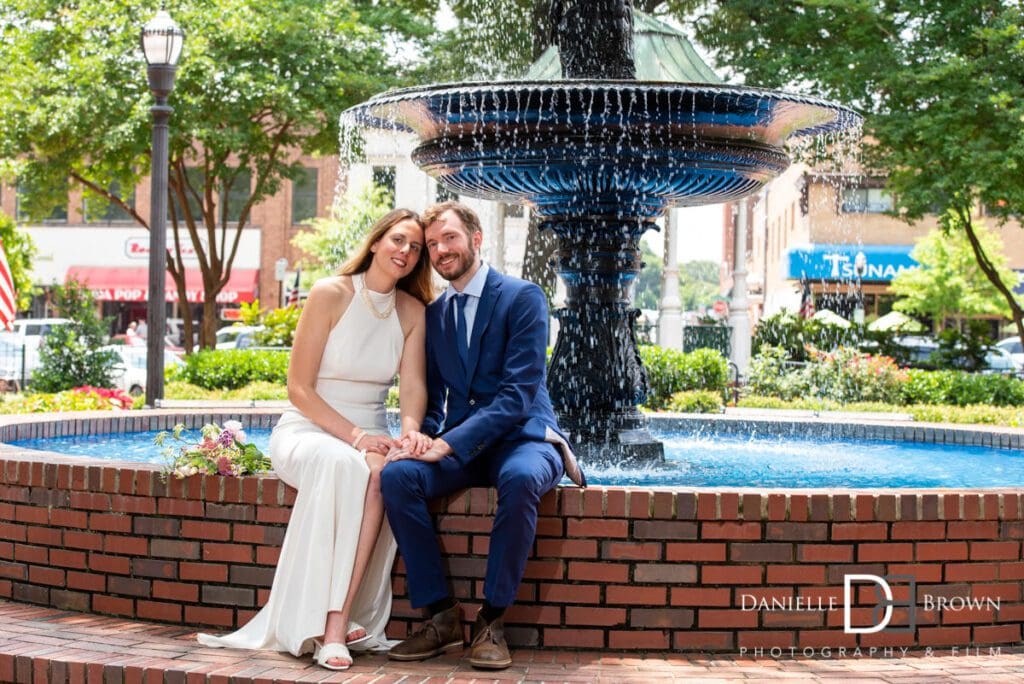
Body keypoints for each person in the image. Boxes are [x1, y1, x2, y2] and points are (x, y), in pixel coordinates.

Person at [197, 208, 434, 670]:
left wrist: (408, 433)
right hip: (309, 428)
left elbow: (413, 388)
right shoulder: (330, 293)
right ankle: (330, 627)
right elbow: (298, 389)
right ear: (376, 241)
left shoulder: (413, 311)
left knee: (384, 472)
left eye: (416, 248)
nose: (406, 252)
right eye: (399, 240)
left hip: (370, 434)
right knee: (345, 464)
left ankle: (338, 619)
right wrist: (357, 436)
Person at [381, 201, 584, 671]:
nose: (439, 250)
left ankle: (492, 620)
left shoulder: (522, 297)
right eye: (431, 245)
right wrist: (421, 437)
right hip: (466, 444)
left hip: (525, 437)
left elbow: (517, 395)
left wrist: (448, 442)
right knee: (398, 478)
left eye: (448, 238)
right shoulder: (435, 314)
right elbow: (434, 398)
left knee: (520, 480)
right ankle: (440, 615)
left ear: (476, 238)